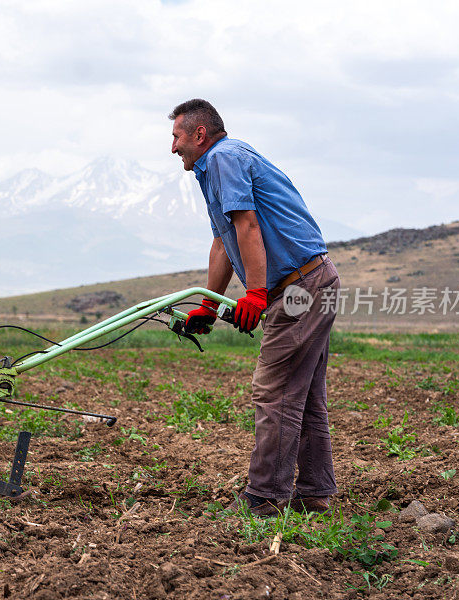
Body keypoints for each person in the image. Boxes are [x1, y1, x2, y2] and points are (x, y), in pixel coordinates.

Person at [169, 99, 340, 517]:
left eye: (176, 137)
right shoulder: (215, 168)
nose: (173, 148)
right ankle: (314, 493)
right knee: (304, 394)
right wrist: (210, 306)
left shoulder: (224, 158)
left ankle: (264, 497)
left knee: (275, 389)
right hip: (312, 281)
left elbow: (248, 225)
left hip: (300, 287)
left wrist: (257, 295)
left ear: (199, 135)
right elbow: (224, 242)